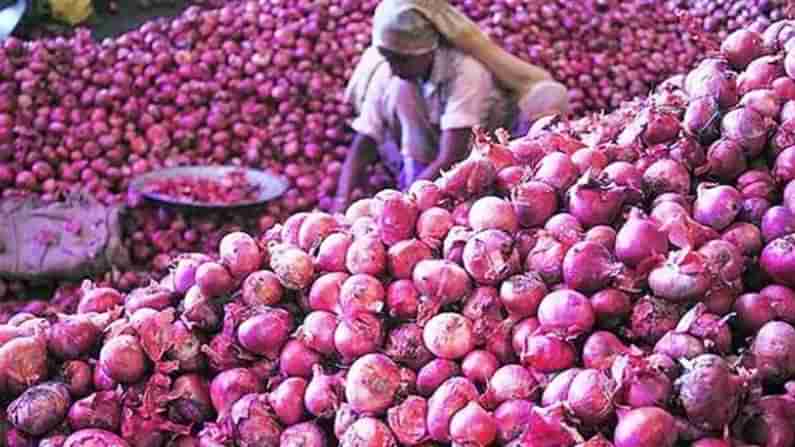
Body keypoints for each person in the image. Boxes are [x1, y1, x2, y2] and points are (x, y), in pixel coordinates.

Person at [333, 0, 569, 213]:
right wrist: (341, 202)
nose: (393, 67)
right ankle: (418, 194)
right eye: (388, 57)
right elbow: (364, 141)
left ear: (427, 49)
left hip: (480, 160)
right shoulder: (394, 72)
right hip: (432, 163)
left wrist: (407, 203)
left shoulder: (467, 71)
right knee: (400, 90)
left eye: (402, 59)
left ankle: (514, 191)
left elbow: (451, 155)